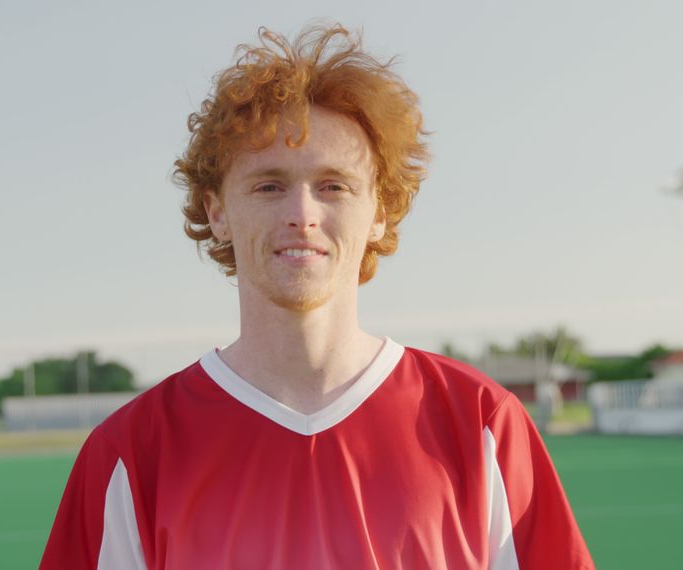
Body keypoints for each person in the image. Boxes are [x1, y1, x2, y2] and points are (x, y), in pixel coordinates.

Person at [40, 24, 594, 570]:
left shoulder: (480, 424)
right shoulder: (132, 452)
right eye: (269, 185)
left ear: (379, 212)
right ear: (217, 212)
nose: (302, 215)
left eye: (333, 186)